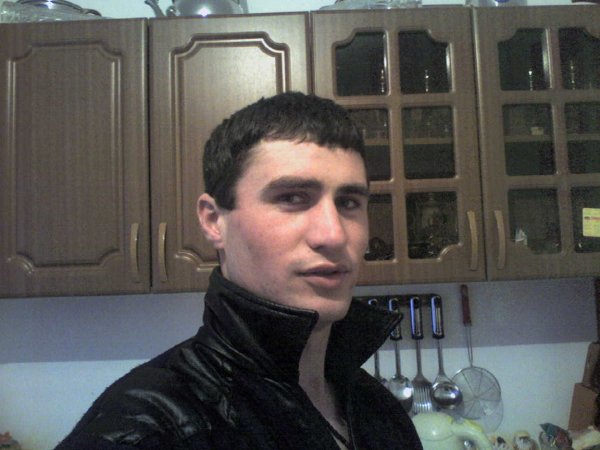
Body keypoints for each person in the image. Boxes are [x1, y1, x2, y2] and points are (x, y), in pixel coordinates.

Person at [54, 92, 423, 450]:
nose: (333, 234)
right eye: (292, 198)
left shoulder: (377, 407)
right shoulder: (146, 429)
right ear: (214, 221)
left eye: (349, 202)